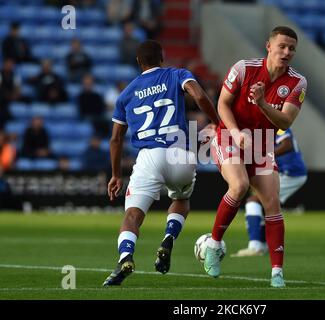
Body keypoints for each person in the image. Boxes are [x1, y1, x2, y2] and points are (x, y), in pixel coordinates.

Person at [103, 40, 219, 286]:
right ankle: (168, 239)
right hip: (180, 152)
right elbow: (198, 95)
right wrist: (218, 121)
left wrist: (115, 175)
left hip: (149, 157)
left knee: (133, 214)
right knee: (181, 200)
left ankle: (125, 257)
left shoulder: (127, 93)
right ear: (162, 58)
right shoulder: (177, 74)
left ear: (138, 62)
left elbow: (115, 139)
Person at [205, 26, 307, 288]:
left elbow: (285, 120)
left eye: (292, 48)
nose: (287, 52)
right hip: (228, 135)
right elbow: (222, 104)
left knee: (272, 202)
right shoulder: (244, 69)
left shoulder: (298, 83)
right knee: (238, 186)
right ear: (268, 46)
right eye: (282, 46)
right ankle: (214, 246)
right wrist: (236, 133)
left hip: (262, 144)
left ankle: (276, 273)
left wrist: (262, 103)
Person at [231, 128, 307, 257]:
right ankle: (263, 244)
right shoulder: (263, 126)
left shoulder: (277, 125)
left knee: (253, 201)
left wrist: (264, 156)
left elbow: (287, 144)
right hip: (288, 172)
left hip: (290, 172)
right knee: (264, 205)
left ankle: (255, 246)